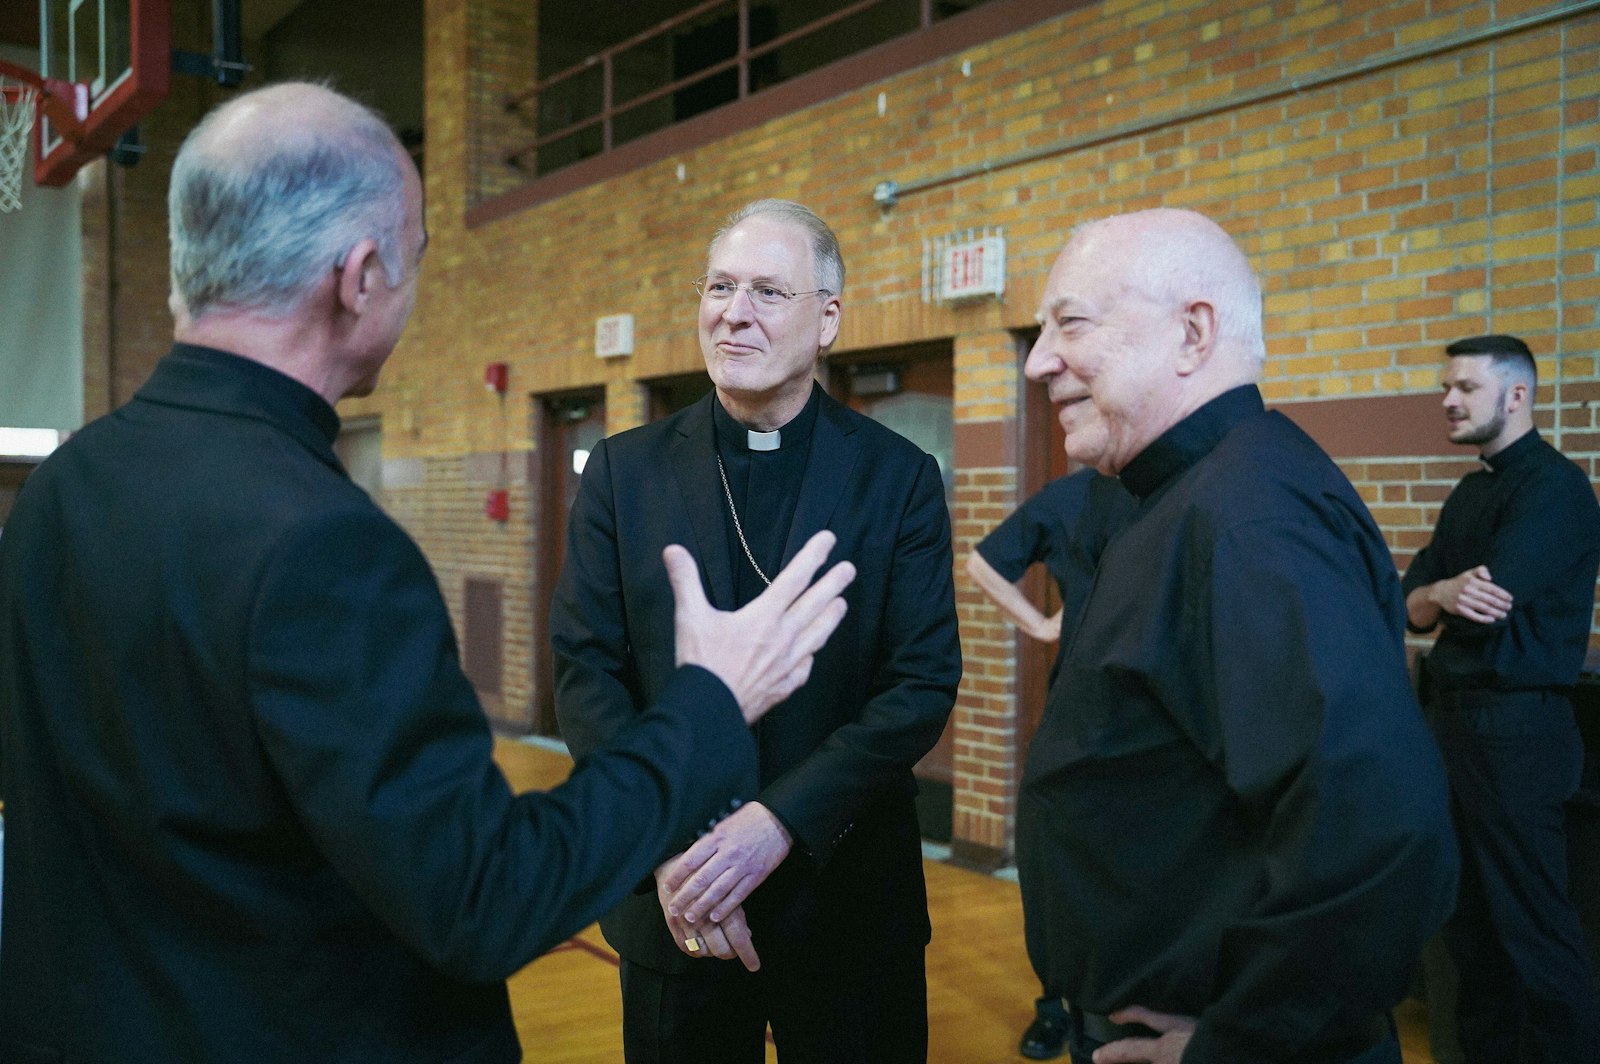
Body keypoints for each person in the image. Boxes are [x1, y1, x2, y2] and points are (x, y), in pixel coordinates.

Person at [0, 83, 858, 1064]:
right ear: (361, 276)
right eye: (413, 252)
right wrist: (711, 699)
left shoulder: (63, 487)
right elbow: (481, 896)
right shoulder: (323, 544)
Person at [1014, 207, 1459, 1064]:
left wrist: (1240, 1044)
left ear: (1193, 332)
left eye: (1069, 323)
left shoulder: (1248, 518)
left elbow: (1381, 831)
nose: (1038, 362)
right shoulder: (1190, 497)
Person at [551, 198, 961, 1063]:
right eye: (719, 286)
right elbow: (586, 671)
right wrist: (673, 845)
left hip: (844, 896)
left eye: (768, 291)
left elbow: (919, 683)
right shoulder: (624, 473)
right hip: (677, 901)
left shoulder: (898, 478)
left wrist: (777, 823)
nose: (732, 312)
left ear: (828, 319)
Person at [1401, 334, 1600, 1064]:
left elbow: (1485, 601)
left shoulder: (1555, 490)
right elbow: (1409, 603)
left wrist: (1441, 595)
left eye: (1465, 389)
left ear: (1516, 396)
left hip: (1517, 732)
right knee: (1470, 934)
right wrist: (1437, 592)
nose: (1448, 401)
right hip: (1453, 728)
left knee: (1534, 934)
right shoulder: (1469, 490)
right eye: (1445, 388)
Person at [966, 469, 1136, 1060]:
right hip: (1080, 712)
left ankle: (1124, 1007)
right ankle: (1054, 1007)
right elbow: (984, 562)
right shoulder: (1072, 495)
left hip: (1157, 712)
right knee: (1057, 865)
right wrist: (1039, 625)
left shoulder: (1180, 486)